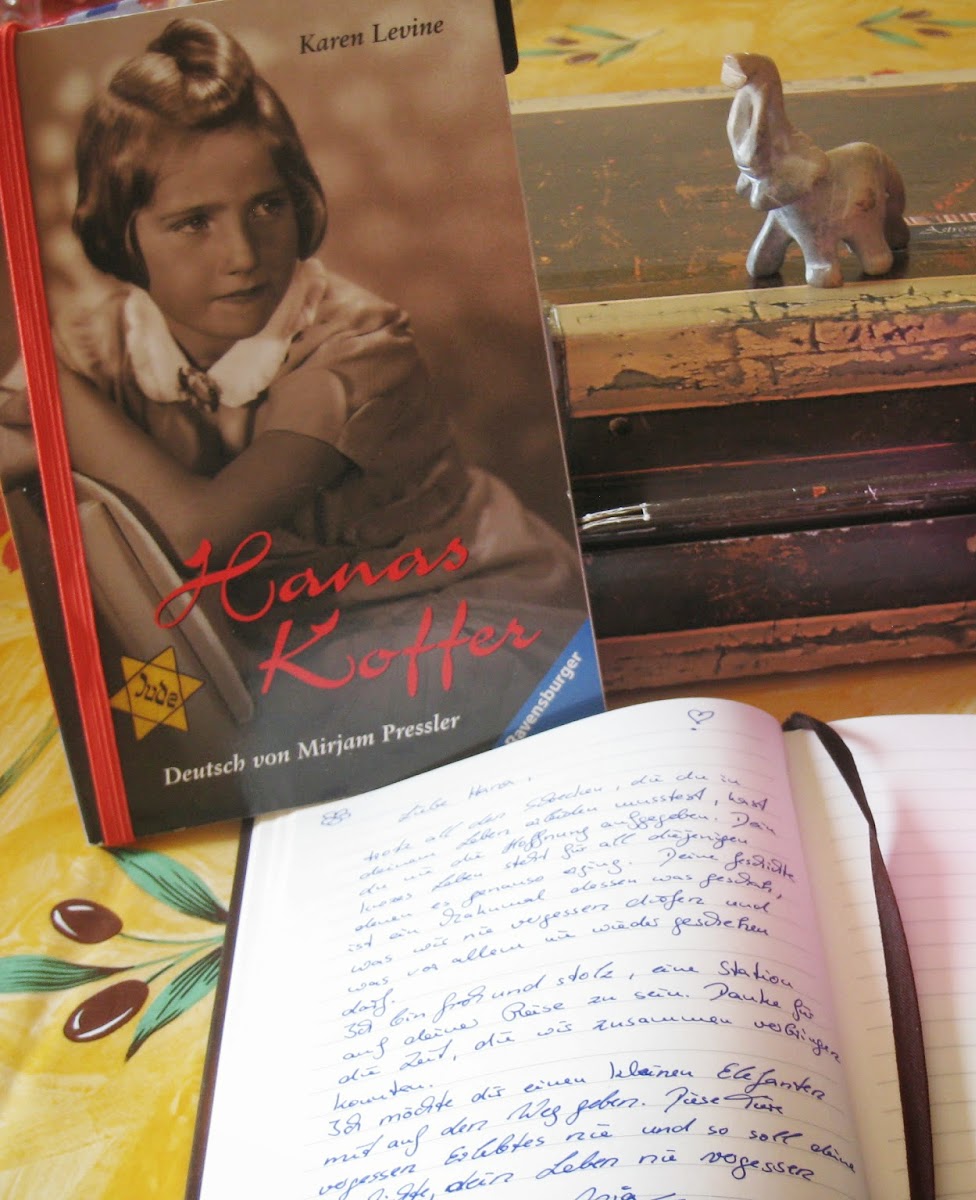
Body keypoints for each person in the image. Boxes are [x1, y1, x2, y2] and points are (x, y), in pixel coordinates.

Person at [0, 16, 589, 794]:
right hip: (277, 636)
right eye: (193, 222)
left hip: (452, 612)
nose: (242, 254)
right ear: (122, 232)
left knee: (267, 762)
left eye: (267, 206)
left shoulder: (358, 347)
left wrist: (54, 397)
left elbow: (200, 538)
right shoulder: (98, 341)